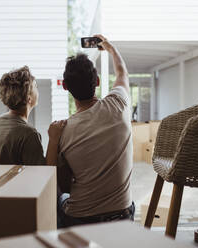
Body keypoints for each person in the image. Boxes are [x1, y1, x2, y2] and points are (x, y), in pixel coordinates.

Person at [57, 35, 134, 228]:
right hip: (122, 216)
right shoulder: (118, 103)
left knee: (60, 197)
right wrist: (109, 47)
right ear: (97, 81)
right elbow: (122, 73)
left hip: (81, 220)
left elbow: (64, 184)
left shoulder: (63, 131)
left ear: (65, 86)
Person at [0, 65, 66, 166]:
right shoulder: (28, 134)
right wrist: (53, 139)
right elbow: (44, 175)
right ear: (29, 98)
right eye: (35, 86)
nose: (38, 90)